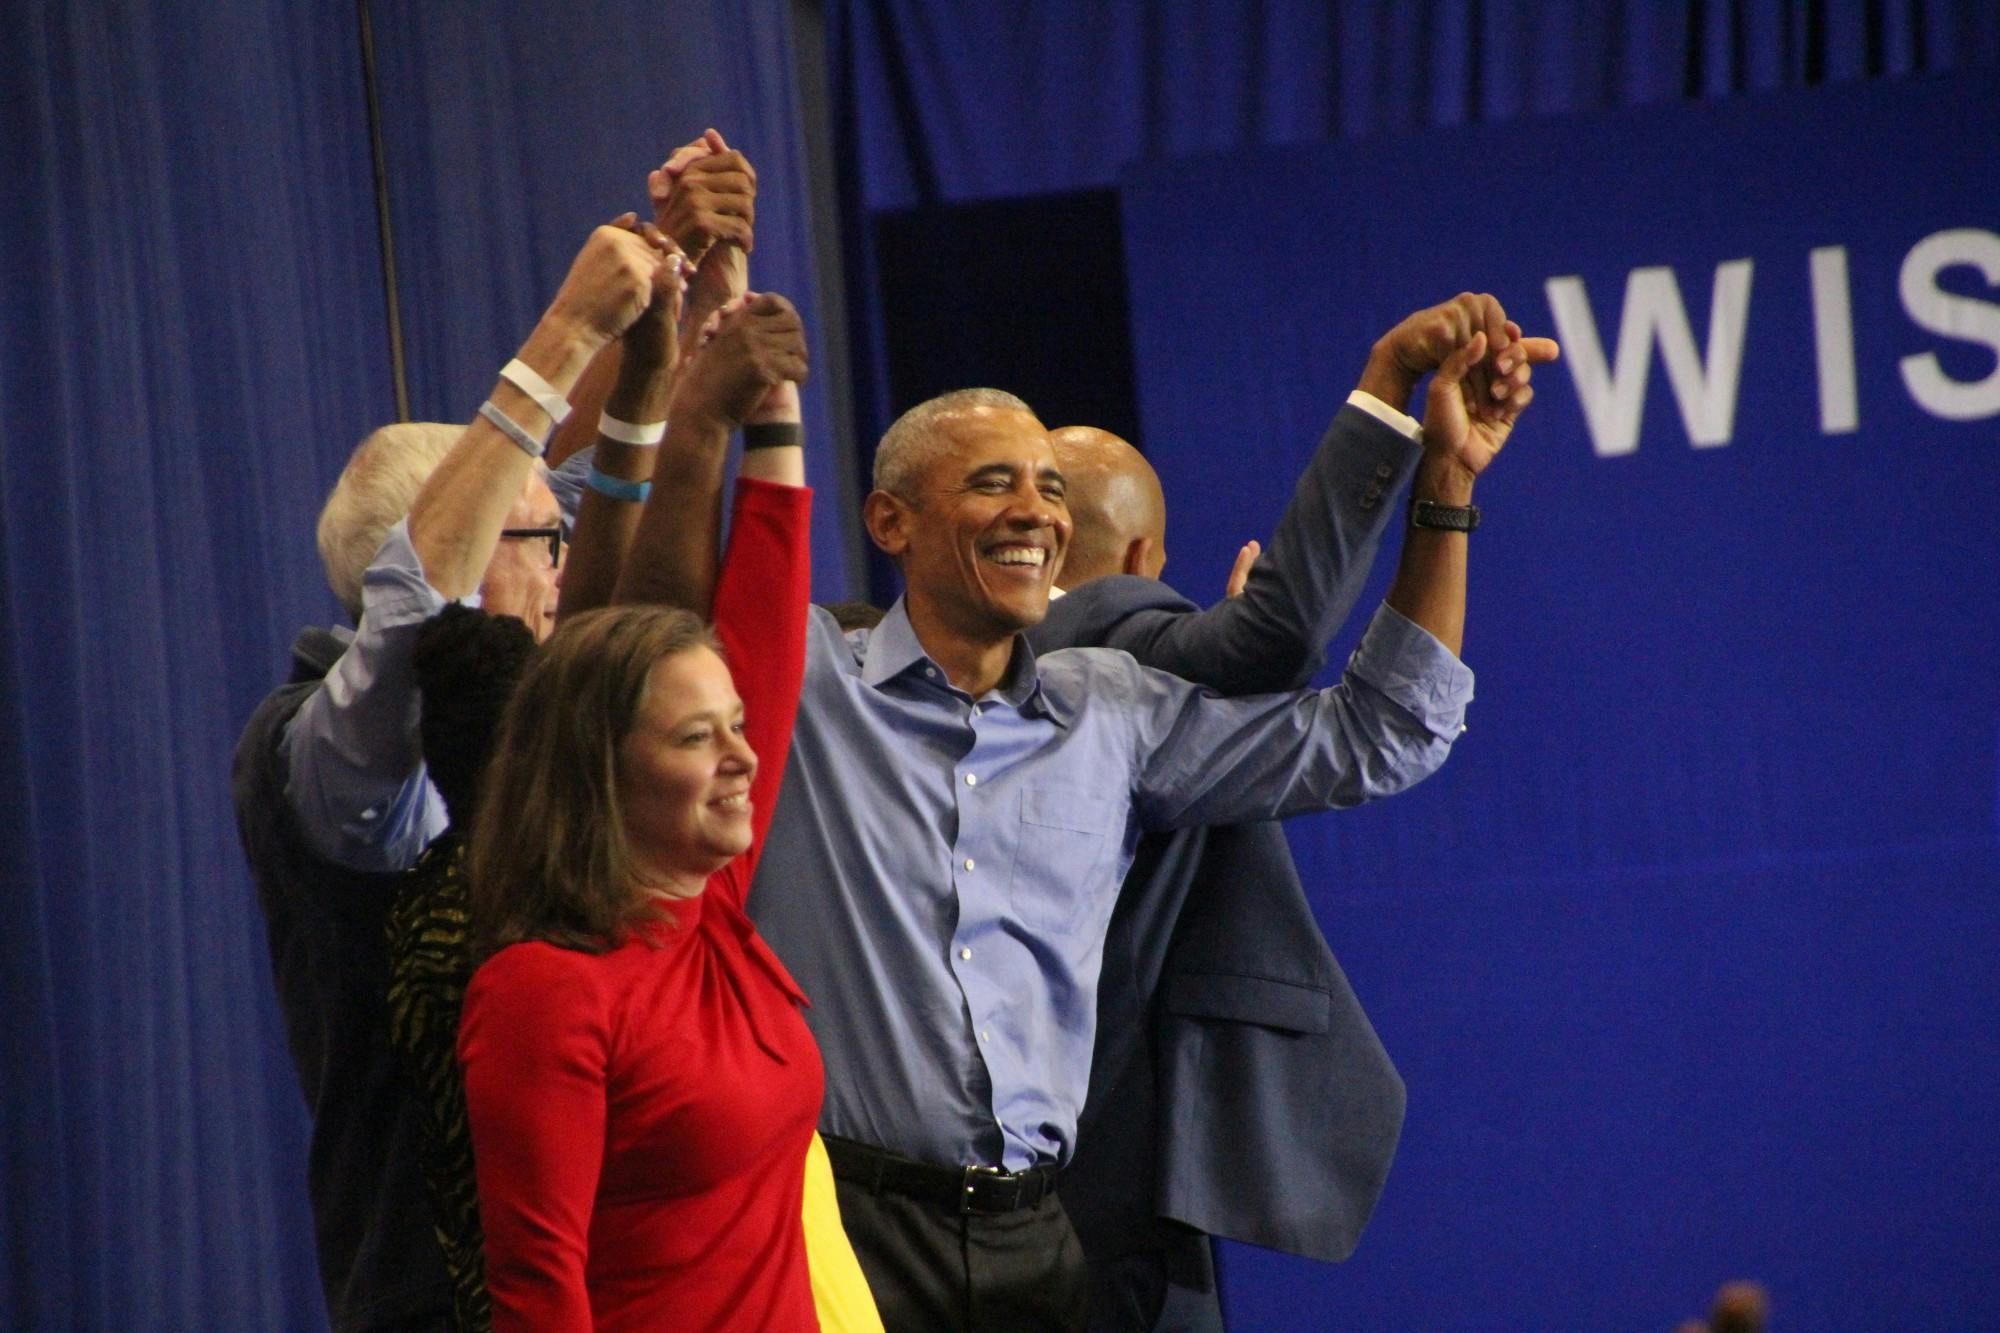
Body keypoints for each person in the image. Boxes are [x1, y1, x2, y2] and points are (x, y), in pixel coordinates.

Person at [702, 296, 1547, 1330]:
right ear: (890, 523)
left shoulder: (1111, 713)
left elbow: (1385, 731)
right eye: (990, 482)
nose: (1035, 512)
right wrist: (697, 393)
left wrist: (1446, 490)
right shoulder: (803, 690)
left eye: (1049, 489)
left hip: (1041, 1243)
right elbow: (640, 607)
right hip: (841, 1236)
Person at [1031, 296, 1559, 1330]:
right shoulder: (1120, 654)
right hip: (1102, 1213)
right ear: (1143, 565)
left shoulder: (912, 688)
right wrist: (1420, 448)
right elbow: (1371, 713)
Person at [453, 344, 829, 1329]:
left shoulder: (711, 905)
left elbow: (767, 630)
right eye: (697, 738)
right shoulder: (544, 990)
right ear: (604, 769)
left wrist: (777, 416)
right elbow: (537, 1293)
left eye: (736, 726)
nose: (743, 756)